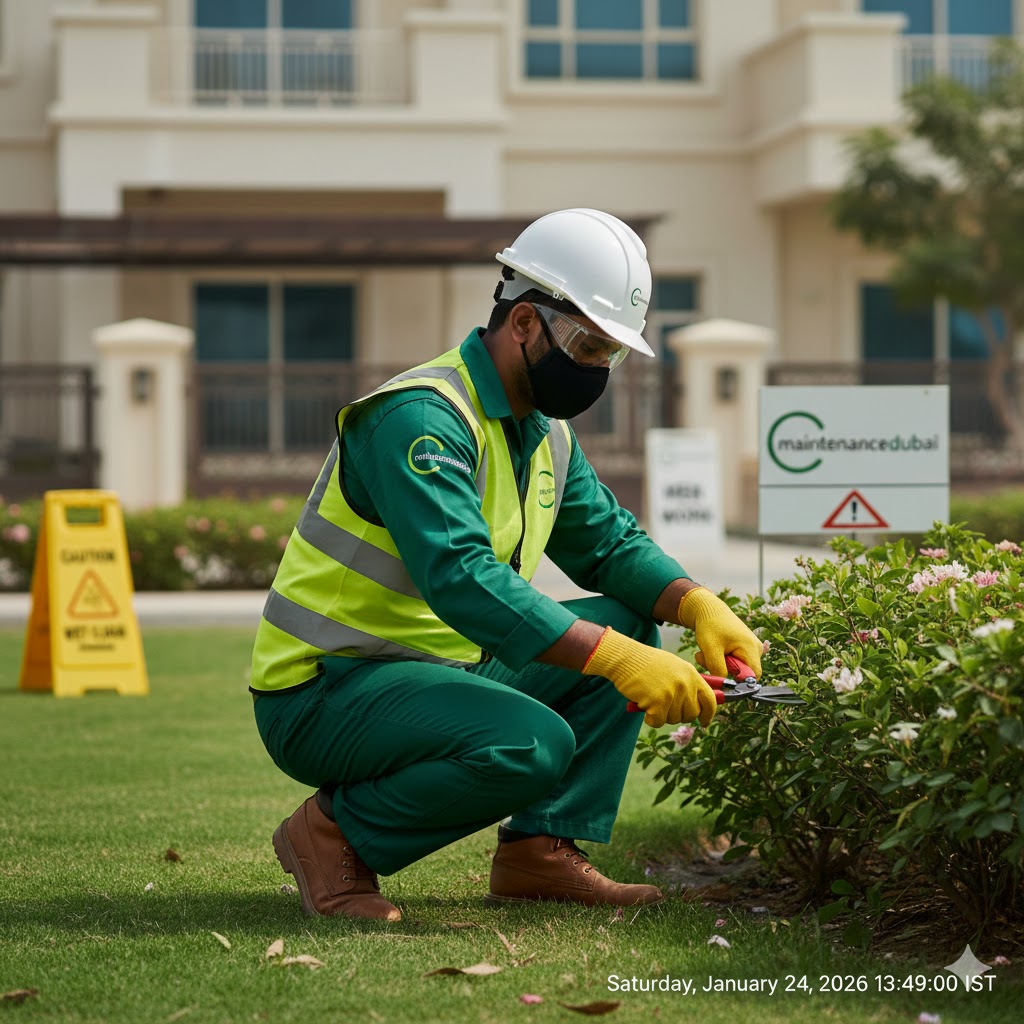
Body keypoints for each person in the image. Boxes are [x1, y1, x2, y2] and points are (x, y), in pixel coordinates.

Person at [249, 208, 763, 921]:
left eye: (610, 353)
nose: (595, 368)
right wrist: (611, 660)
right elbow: (459, 575)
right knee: (532, 742)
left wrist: (699, 604)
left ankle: (539, 855)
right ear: (523, 322)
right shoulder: (422, 418)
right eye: (587, 343)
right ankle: (330, 835)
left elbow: (607, 544)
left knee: (631, 622)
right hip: (326, 690)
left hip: (437, 671)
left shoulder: (542, 434)